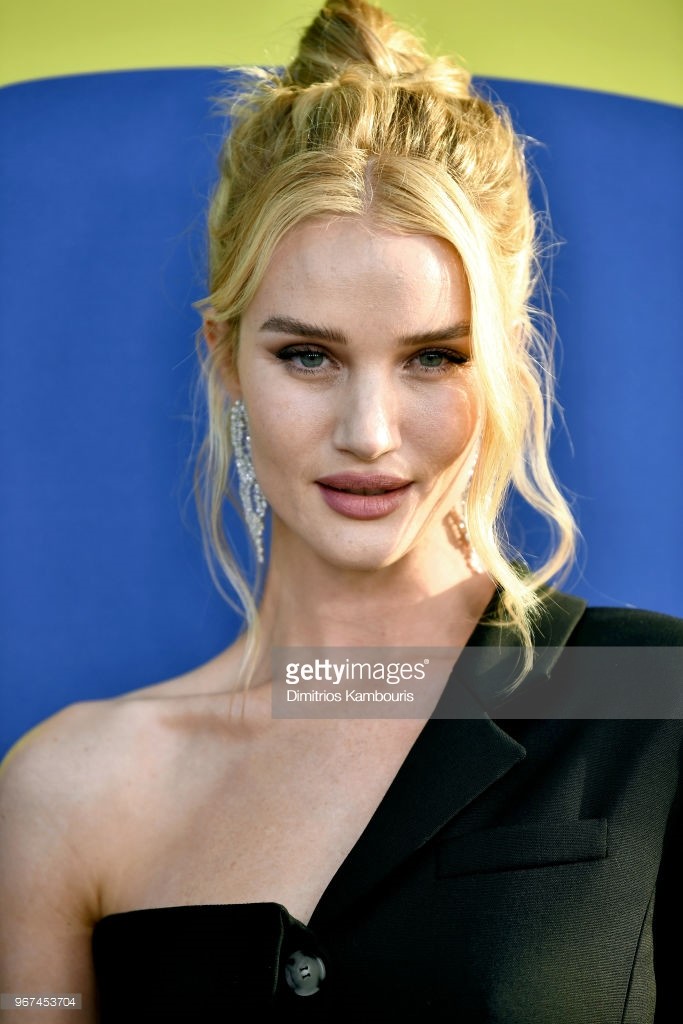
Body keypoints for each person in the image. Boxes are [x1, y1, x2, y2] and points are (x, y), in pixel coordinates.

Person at [0, 1, 681, 1020]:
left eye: (431, 357)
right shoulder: (70, 789)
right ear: (225, 360)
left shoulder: (653, 694)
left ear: (500, 366)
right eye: (308, 355)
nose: (368, 432)